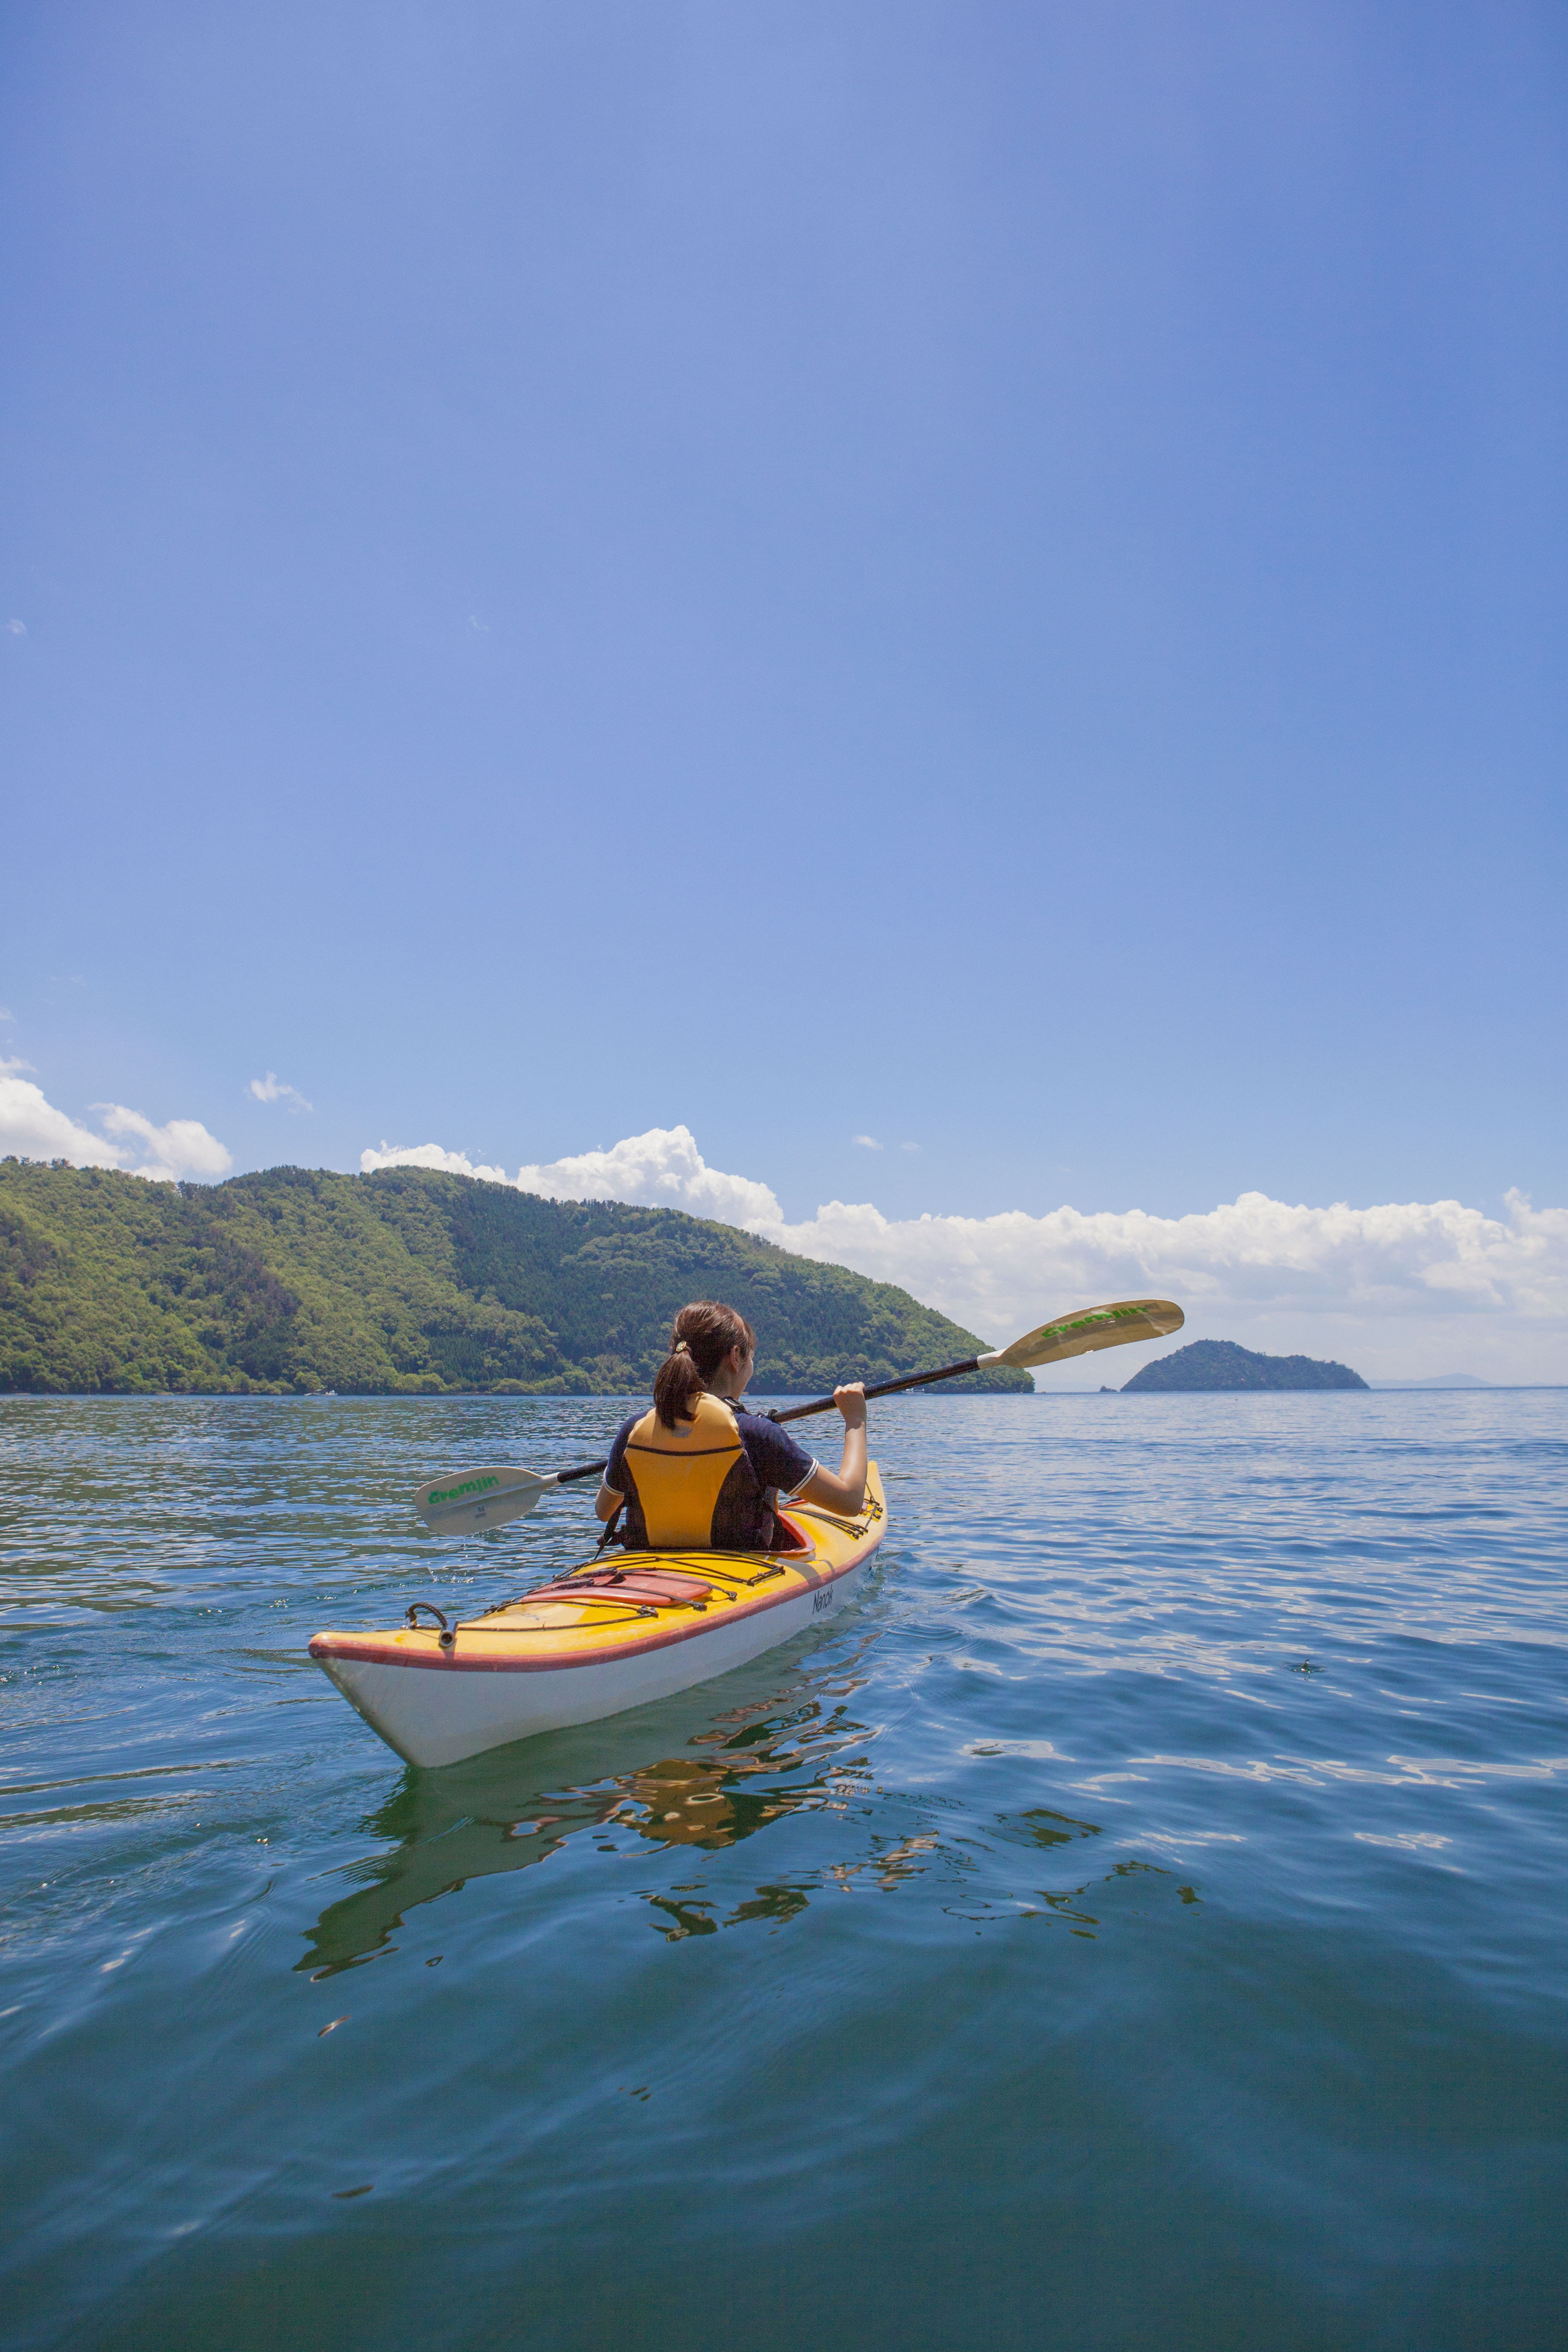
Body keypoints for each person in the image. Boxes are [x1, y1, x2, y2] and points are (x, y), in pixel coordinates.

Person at [596, 1299, 867, 1553]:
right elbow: (850, 1502)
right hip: (736, 1579)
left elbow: (604, 1511)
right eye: (751, 1357)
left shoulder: (635, 1429)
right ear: (735, 1357)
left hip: (644, 1571)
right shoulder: (758, 1435)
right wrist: (855, 1421)